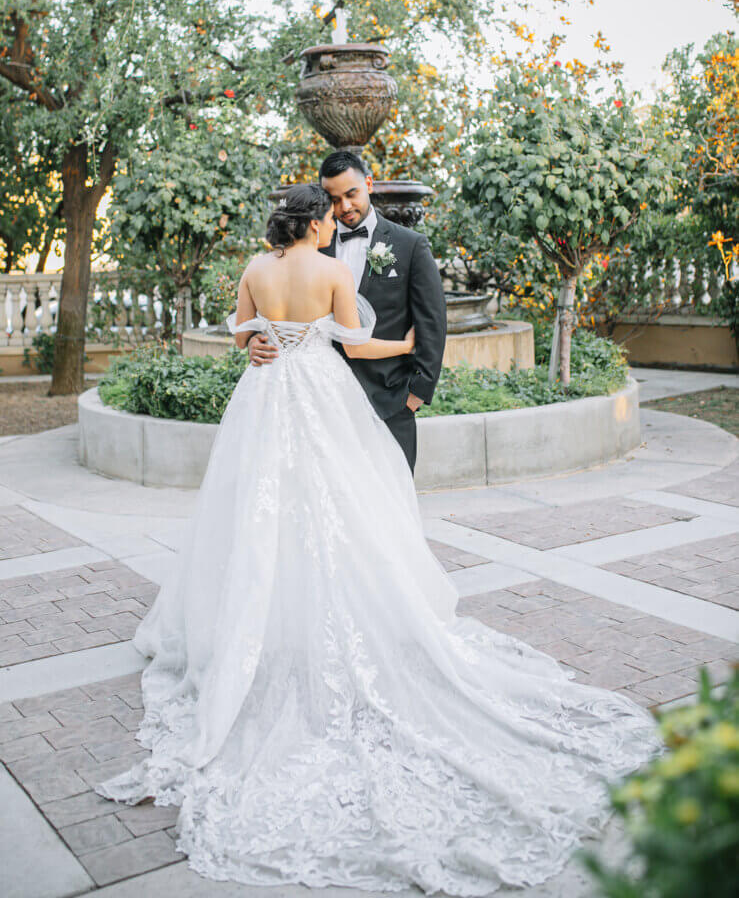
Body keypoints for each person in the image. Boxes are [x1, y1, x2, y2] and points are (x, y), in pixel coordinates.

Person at [96, 183, 665, 896]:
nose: (336, 221)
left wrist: (261, 345)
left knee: (258, 509)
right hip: (322, 391)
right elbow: (353, 339)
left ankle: (262, 613)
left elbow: (240, 332)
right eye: (328, 214)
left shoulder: (253, 269)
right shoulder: (333, 270)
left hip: (266, 397)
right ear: (311, 221)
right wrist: (405, 343)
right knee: (344, 500)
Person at [245, 151, 447, 471]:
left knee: (392, 504)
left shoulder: (410, 245)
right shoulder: (311, 244)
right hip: (322, 402)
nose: (345, 207)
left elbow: (432, 324)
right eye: (335, 199)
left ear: (368, 183)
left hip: (389, 399)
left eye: (351, 194)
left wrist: (415, 395)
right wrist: (257, 339)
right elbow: (278, 308)